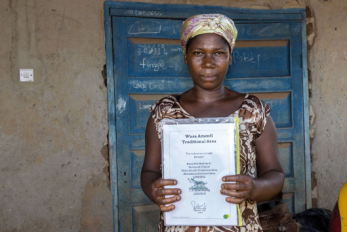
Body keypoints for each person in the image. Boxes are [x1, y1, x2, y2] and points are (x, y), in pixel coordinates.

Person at [141, 14, 285, 232]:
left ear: (230, 57)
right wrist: (154, 189)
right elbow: (149, 172)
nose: (208, 63)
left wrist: (255, 187)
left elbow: (275, 175)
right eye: (198, 53)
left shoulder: (253, 111)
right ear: (185, 58)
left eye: (218, 53)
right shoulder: (164, 113)